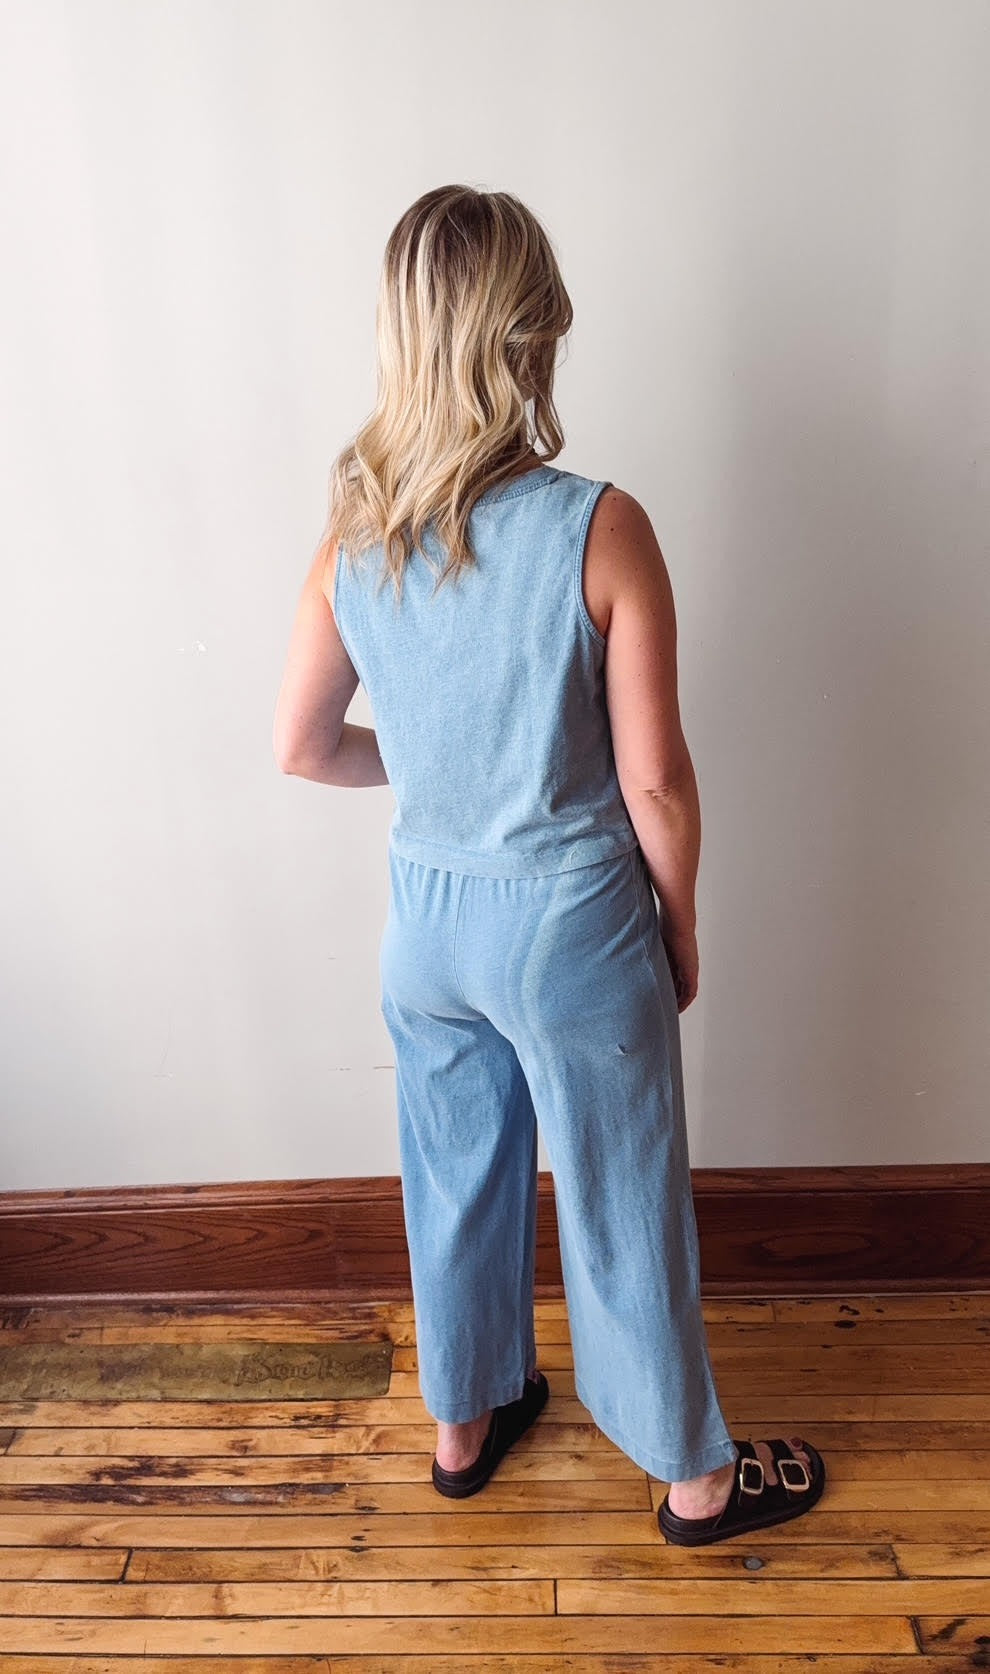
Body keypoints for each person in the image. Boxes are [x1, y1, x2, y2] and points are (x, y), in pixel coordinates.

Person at [273, 184, 826, 1546]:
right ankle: (696, 1479)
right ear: (529, 336)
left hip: (427, 919)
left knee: (452, 1166)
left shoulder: (354, 527)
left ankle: (463, 1425)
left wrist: (451, 764)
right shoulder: (599, 523)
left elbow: (301, 745)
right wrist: (678, 922)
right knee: (620, 1179)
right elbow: (652, 777)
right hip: (569, 914)